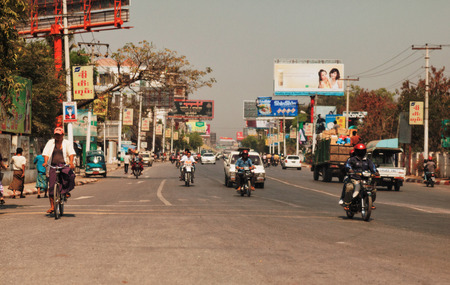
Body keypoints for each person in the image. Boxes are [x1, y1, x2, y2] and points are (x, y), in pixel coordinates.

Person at [42, 127, 76, 214]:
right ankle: (52, 206)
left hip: (64, 164)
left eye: (59, 135)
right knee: (52, 186)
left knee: (70, 176)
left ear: (63, 135)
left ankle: (65, 192)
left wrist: (71, 162)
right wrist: (45, 162)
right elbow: (46, 153)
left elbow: (71, 153)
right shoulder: (50, 142)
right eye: (56, 135)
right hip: (53, 165)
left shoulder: (67, 143)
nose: (57, 137)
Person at [343, 143, 378, 209]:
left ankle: (370, 203)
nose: (361, 152)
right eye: (359, 151)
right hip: (354, 179)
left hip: (366, 179)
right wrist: (350, 170)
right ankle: (347, 203)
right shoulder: (352, 159)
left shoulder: (368, 161)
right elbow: (347, 166)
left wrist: (376, 172)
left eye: (362, 151)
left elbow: (373, 168)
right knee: (349, 188)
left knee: (373, 190)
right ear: (356, 151)